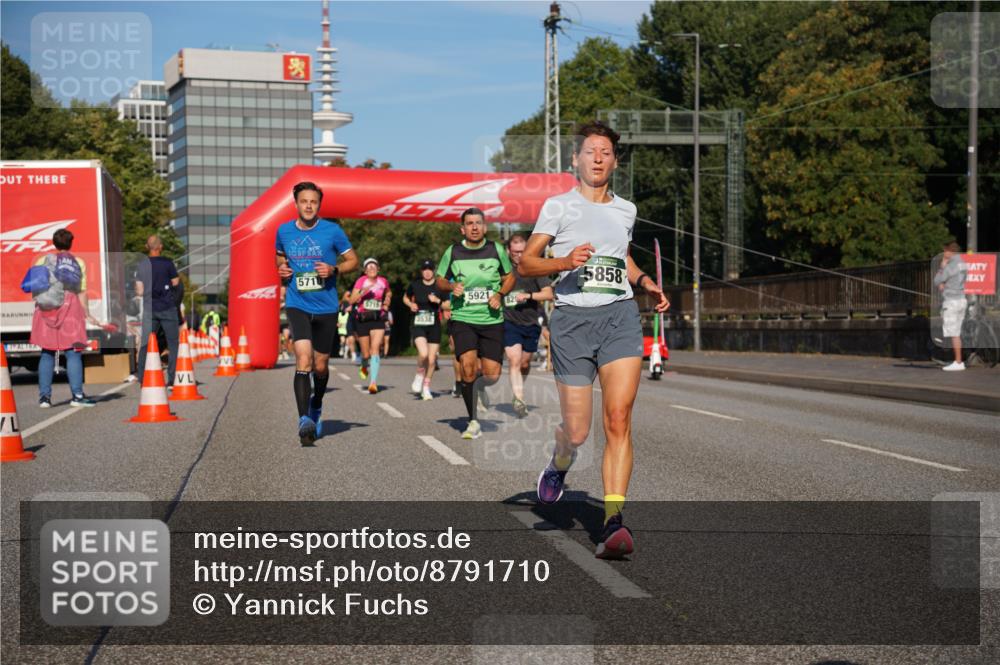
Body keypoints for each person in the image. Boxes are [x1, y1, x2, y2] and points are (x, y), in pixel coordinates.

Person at [519, 121, 669, 559]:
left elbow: (621, 255)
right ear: (576, 160)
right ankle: (559, 462)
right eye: (591, 151)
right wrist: (565, 260)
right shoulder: (558, 207)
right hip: (572, 321)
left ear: (614, 162)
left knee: (619, 418)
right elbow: (528, 264)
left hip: (620, 315)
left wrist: (644, 281)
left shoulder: (626, 210)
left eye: (606, 152)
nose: (598, 157)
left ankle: (613, 521)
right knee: (580, 431)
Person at [276, 181, 359, 445]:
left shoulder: (332, 231)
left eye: (313, 201)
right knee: (303, 359)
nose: (309, 205)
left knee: (320, 366)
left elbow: (353, 261)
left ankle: (317, 404)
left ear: (318, 204)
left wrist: (334, 269)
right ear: (296, 203)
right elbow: (280, 257)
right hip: (297, 302)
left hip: (326, 307)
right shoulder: (284, 231)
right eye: (304, 201)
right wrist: (282, 269)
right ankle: (304, 421)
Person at [435, 207, 515, 439]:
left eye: (478, 223)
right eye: (469, 223)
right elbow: (440, 280)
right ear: (463, 228)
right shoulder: (453, 251)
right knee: (468, 367)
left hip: (491, 318)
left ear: (484, 226)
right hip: (463, 318)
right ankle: (472, 421)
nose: (474, 227)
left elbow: (510, 277)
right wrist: (451, 287)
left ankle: (480, 389)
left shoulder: (496, 249)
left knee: (492, 375)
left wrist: (499, 295)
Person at [30, 228, 101, 407]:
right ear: (71, 243)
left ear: (54, 243)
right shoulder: (77, 262)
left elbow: (35, 286)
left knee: (47, 352)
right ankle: (77, 396)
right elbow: (81, 291)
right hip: (70, 306)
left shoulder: (41, 260)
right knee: (73, 352)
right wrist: (87, 313)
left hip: (46, 308)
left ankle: (44, 398)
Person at [503, 233, 554, 418]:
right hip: (508, 321)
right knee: (514, 360)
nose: (518, 255)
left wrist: (528, 296)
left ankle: (519, 388)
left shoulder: (534, 269)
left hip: (531, 322)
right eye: (515, 252)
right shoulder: (503, 270)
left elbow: (548, 294)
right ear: (509, 251)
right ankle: (519, 398)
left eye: (522, 252)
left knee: (524, 363)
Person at [135, 235, 183, 389]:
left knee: (145, 344)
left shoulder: (142, 265)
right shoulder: (168, 263)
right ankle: (172, 380)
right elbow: (176, 283)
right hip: (168, 308)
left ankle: (142, 379)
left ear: (146, 246)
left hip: (150, 308)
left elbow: (140, 291)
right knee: (173, 344)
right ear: (160, 247)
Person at [404, 259, 448, 400]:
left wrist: (438, 301)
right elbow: (405, 297)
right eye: (425, 269)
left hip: (434, 324)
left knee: (432, 359)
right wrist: (411, 304)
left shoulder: (439, 286)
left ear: (434, 270)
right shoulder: (415, 285)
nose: (427, 272)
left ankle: (426, 387)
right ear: (421, 271)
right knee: (423, 354)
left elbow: (448, 304)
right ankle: (419, 373)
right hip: (419, 323)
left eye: (430, 269)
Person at [347, 258, 391, 394]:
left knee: (375, 349)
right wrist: (362, 293)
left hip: (378, 318)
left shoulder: (383, 281)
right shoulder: (361, 281)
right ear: (365, 271)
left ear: (378, 269)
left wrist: (387, 300)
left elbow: (388, 292)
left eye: (374, 267)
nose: (371, 269)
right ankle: (364, 364)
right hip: (362, 319)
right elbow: (351, 300)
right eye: (369, 267)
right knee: (366, 354)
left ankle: (373, 382)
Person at [934, 241, 969, 372]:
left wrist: (942, 267)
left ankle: (958, 362)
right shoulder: (963, 264)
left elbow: (937, 281)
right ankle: (957, 359)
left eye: (945, 251)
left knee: (953, 333)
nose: (943, 253)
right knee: (956, 332)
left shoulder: (950, 265)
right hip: (961, 299)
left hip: (951, 302)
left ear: (950, 251)